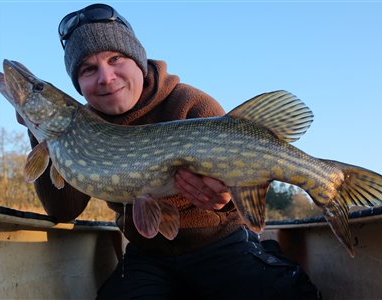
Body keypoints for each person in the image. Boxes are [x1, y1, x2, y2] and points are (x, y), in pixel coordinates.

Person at [20, 3, 321, 299]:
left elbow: (243, 175)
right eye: (88, 69)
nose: (106, 77)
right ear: (78, 84)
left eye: (116, 59)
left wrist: (226, 200)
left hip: (220, 244)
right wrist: (37, 133)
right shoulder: (82, 128)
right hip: (147, 255)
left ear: (138, 60)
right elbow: (63, 211)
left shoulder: (191, 104)